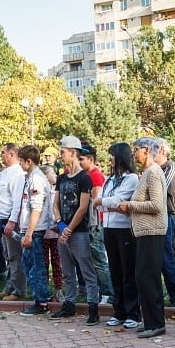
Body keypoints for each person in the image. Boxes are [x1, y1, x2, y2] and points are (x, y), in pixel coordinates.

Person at [119, 138, 168, 338]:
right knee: (143, 276)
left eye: (136, 150)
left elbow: (156, 205)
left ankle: (156, 323)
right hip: (144, 233)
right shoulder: (146, 173)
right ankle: (150, 321)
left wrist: (130, 206)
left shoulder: (154, 173)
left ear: (146, 150)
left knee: (148, 277)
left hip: (152, 232)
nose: (134, 154)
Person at [51, 136, 99, 325]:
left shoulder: (84, 178)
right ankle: (69, 304)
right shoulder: (61, 178)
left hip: (78, 232)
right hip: (64, 230)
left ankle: (93, 307)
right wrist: (60, 224)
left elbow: (83, 207)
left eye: (62, 152)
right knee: (67, 271)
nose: (60, 155)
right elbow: (55, 204)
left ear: (72, 153)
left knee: (86, 269)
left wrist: (69, 229)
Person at [94, 142, 141, 329]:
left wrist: (102, 202)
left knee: (128, 271)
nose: (110, 159)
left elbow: (119, 200)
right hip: (109, 228)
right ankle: (118, 310)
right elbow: (106, 203)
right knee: (115, 271)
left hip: (124, 229)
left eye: (112, 155)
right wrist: (105, 203)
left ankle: (133, 312)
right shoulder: (110, 179)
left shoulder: (132, 179)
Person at [16, 145, 55, 316]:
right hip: (31, 228)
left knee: (35, 266)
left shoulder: (36, 179)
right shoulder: (32, 177)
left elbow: (36, 208)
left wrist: (29, 233)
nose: (19, 165)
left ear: (28, 161)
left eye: (20, 162)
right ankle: (41, 297)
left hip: (35, 230)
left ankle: (42, 302)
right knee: (29, 265)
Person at [79, 143, 114, 304]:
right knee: (92, 258)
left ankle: (108, 292)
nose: (79, 162)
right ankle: (98, 289)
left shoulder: (95, 176)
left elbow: (95, 201)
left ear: (91, 159)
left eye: (82, 159)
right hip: (88, 223)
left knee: (99, 259)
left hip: (96, 223)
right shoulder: (85, 175)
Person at [0, 143, 27, 300]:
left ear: (12, 154)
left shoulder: (17, 174)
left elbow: (17, 200)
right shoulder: (6, 172)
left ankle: (18, 290)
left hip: (10, 221)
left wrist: (12, 222)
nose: (1, 155)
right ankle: (9, 287)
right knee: (8, 255)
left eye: (3, 153)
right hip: (1, 220)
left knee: (15, 256)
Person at [156, 139, 175, 307]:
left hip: (167, 217)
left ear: (161, 150)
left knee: (168, 260)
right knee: (157, 261)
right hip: (154, 218)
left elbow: (160, 192)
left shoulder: (171, 167)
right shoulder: (152, 169)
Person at [39, 165, 63, 301]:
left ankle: (58, 289)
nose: (55, 175)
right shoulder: (41, 192)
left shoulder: (56, 191)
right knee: (43, 262)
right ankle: (45, 290)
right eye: (52, 173)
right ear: (45, 176)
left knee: (56, 261)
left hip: (55, 232)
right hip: (43, 232)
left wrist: (57, 223)